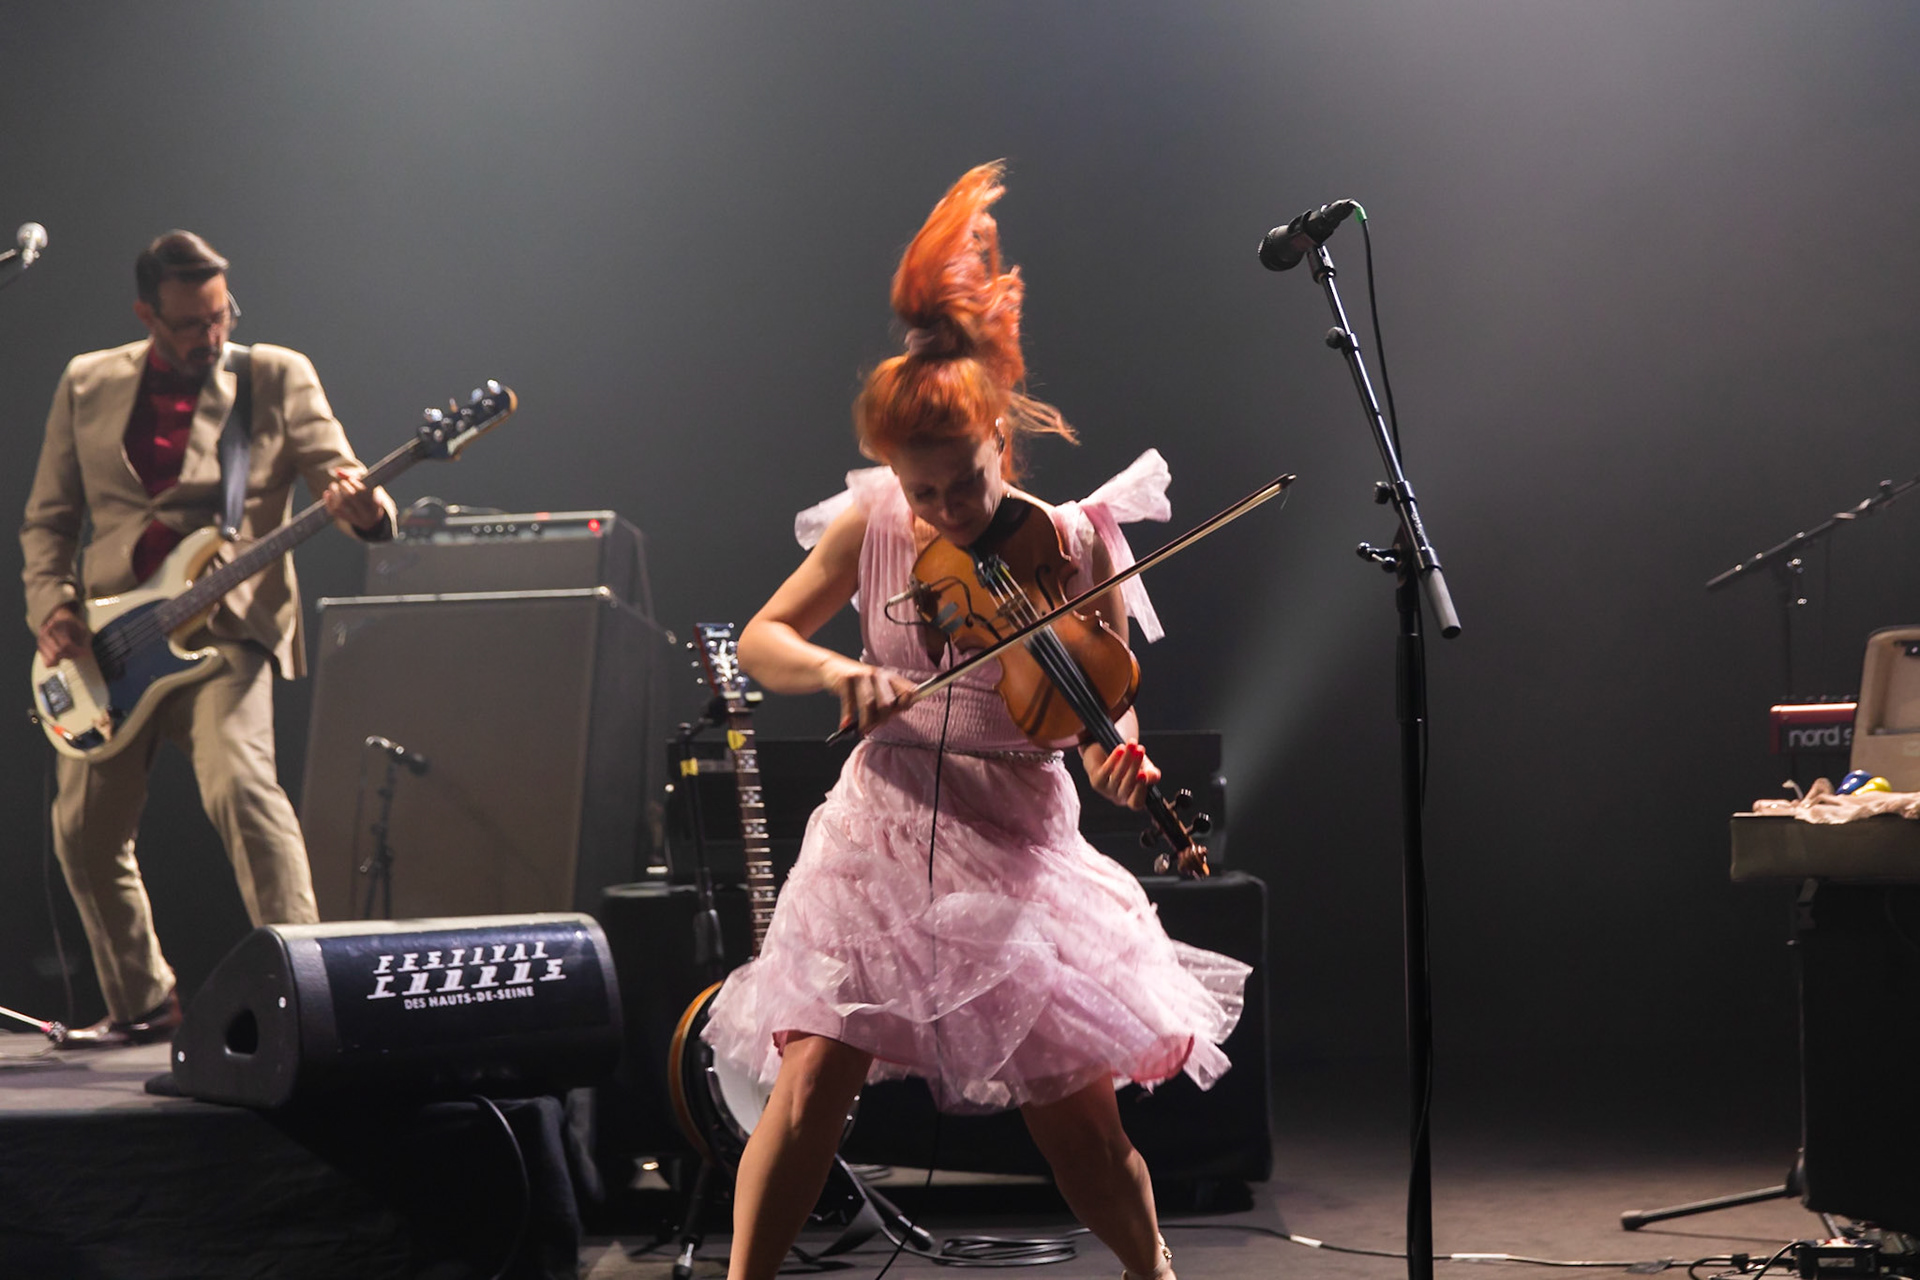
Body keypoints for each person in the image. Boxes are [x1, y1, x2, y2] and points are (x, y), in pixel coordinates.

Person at [705, 163, 1248, 1280]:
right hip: (881, 830)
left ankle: (1153, 1272)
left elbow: (1101, 708)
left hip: (1016, 841)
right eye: (923, 491)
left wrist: (1116, 761)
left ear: (999, 437)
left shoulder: (1077, 541)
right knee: (812, 1078)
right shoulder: (872, 524)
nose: (945, 511)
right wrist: (838, 670)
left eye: (964, 484)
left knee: (1077, 1122)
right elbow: (763, 637)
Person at [20, 230, 396, 1048]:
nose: (212, 335)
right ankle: (143, 1002)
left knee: (240, 788)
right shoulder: (87, 381)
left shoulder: (274, 375)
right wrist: (54, 609)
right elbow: (49, 520)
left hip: (227, 630)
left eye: (222, 316)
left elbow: (342, 475)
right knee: (81, 832)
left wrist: (363, 506)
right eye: (191, 323)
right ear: (146, 316)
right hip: (109, 646)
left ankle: (310, 992)